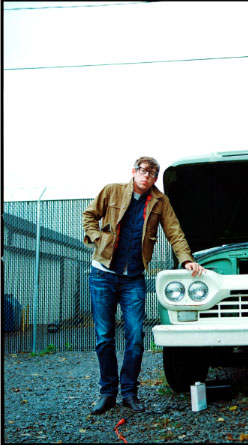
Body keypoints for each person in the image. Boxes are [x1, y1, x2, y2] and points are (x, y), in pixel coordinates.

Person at [82, 156, 205, 415]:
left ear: (155, 178)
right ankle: (107, 393)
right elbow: (89, 216)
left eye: (152, 173)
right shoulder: (111, 191)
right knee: (104, 337)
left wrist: (187, 260)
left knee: (136, 336)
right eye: (143, 171)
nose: (147, 176)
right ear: (134, 172)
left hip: (133, 279)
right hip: (102, 274)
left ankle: (129, 393)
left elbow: (174, 232)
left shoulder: (160, 202)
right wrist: (97, 237)